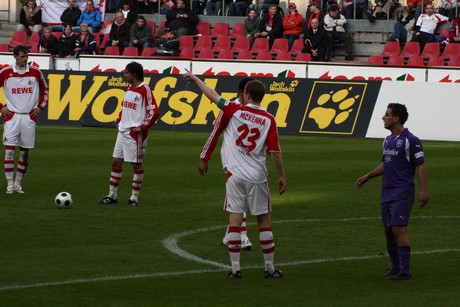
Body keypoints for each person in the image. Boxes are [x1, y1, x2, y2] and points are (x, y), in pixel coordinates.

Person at [182, 70, 287, 279]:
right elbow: (275, 151)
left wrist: (196, 80)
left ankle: (236, 269)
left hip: (234, 174)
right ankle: (269, 268)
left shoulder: (235, 110)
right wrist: (282, 175)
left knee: (234, 220)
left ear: (246, 94)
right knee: (264, 220)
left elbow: (212, 95)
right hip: (257, 176)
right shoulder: (269, 119)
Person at [356, 103, 428, 280]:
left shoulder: (411, 140)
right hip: (386, 191)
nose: (383, 117)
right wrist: (368, 176)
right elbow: (386, 164)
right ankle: (396, 267)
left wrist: (423, 191)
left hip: (402, 191)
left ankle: (405, 270)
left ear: (396, 118)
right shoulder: (387, 140)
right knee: (388, 230)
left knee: (398, 229)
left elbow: (421, 166)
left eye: (387, 114)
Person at [198, 77, 255, 251]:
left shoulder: (254, 110)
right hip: (231, 158)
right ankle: (242, 236)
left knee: (238, 197)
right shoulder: (229, 108)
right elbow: (216, 131)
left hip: (248, 160)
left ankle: (229, 235)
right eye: (248, 94)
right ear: (242, 93)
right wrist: (205, 157)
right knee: (240, 196)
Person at [99, 62, 159, 206]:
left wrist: (143, 127)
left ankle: (134, 198)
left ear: (134, 74)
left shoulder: (145, 90)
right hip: (123, 130)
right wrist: (120, 119)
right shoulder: (129, 87)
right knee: (116, 161)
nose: (124, 75)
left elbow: (154, 111)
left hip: (134, 133)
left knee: (136, 164)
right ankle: (112, 195)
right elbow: (125, 106)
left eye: (126, 73)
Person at [0, 45, 48, 194]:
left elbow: (45, 90)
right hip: (12, 116)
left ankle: (18, 183)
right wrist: (0, 107)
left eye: (26, 56)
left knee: (23, 153)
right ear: (15, 56)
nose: (25, 59)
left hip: (28, 116)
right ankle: (9, 184)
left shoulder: (35, 72)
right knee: (9, 152)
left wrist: (40, 107)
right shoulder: (6, 72)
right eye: (22, 56)